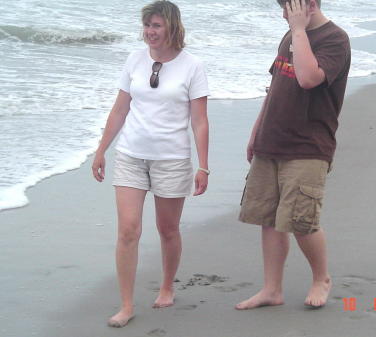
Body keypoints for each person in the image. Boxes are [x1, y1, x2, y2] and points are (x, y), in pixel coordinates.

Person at [91, 0, 209, 327]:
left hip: (172, 159)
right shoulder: (133, 60)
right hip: (130, 155)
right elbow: (119, 109)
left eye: (156, 25)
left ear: (172, 27)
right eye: (147, 25)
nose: (150, 31)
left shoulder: (192, 66)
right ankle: (126, 305)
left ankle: (167, 286)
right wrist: (101, 150)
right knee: (128, 229)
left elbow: (200, 121)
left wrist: (204, 165)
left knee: (167, 229)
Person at [236, 0, 350, 310]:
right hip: (272, 139)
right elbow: (275, 86)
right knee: (268, 218)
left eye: (289, 8)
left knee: (302, 220)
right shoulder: (290, 36)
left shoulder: (334, 39)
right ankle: (272, 289)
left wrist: (298, 30)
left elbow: (308, 78)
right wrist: (256, 131)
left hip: (308, 145)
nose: (284, 14)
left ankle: (321, 278)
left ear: (310, 5)